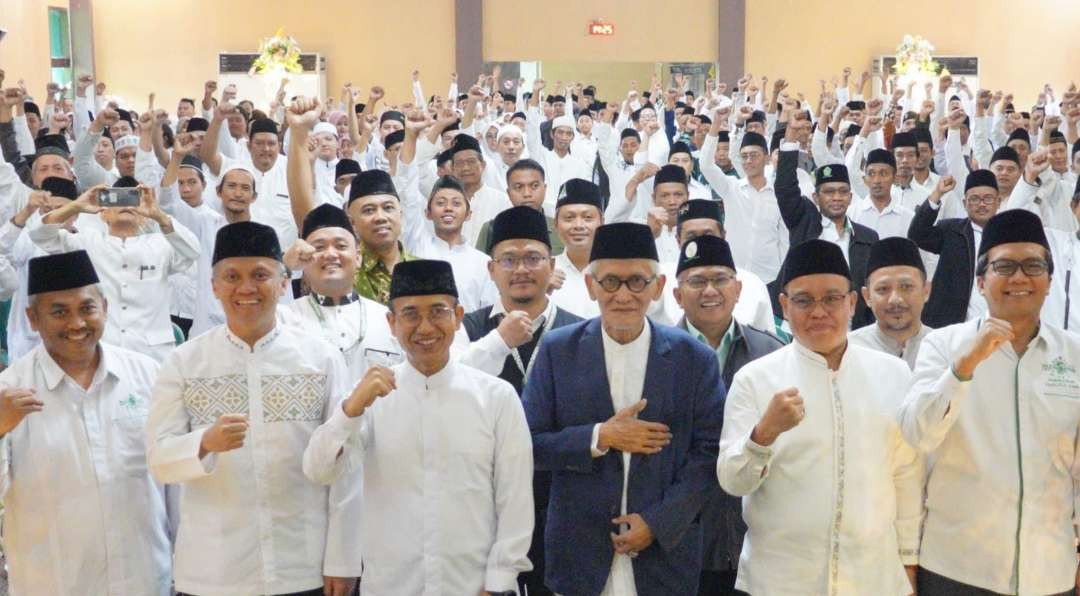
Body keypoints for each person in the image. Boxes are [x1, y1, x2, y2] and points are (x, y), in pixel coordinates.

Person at [146, 221, 359, 596]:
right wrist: (203, 443)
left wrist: (342, 560)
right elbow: (159, 461)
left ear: (282, 283)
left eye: (260, 274)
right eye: (232, 276)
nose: (246, 288)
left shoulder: (319, 357)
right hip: (213, 570)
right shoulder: (184, 362)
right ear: (214, 286)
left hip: (302, 566)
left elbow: (346, 466)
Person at [302, 259, 534, 595]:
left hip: (471, 585)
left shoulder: (496, 396)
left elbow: (514, 498)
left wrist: (499, 581)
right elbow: (318, 469)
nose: (425, 327)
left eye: (437, 312)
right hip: (391, 584)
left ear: (457, 317)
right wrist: (349, 410)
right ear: (392, 323)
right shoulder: (369, 398)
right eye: (410, 314)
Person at [522, 222, 724, 595]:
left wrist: (658, 522)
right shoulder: (557, 350)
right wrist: (601, 436)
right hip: (580, 555)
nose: (623, 295)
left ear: (659, 287)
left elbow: (710, 454)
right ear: (590, 285)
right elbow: (528, 444)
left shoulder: (693, 358)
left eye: (637, 282)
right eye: (610, 282)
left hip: (664, 558)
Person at [717, 239, 923, 595]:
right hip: (781, 580)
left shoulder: (894, 374)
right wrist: (763, 434)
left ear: (853, 302)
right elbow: (733, 482)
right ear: (783, 305)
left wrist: (907, 562)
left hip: (872, 577)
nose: (818, 312)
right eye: (803, 300)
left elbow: (905, 475)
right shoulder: (755, 379)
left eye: (831, 298)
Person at [900, 208, 1080, 595]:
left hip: (1050, 569)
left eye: (1033, 265)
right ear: (981, 282)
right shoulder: (943, 345)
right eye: (1004, 267)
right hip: (959, 568)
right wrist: (963, 368)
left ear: (1050, 280)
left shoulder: (1074, 354)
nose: (1019, 277)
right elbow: (918, 434)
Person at [0, 250, 172, 594]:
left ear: (105, 308)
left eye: (87, 309)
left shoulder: (147, 375)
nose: (76, 324)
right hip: (52, 582)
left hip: (144, 576)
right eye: (59, 312)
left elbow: (175, 484)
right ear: (33, 318)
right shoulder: (8, 392)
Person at [461, 205, 583, 595]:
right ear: (491, 269)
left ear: (551, 265)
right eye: (508, 260)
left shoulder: (579, 331)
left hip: (560, 499)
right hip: (484, 500)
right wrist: (499, 342)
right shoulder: (468, 329)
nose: (521, 270)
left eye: (532, 258)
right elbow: (451, 390)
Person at [671, 235, 784, 595]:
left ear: (737, 289)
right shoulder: (657, 354)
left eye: (719, 280)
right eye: (697, 281)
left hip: (755, 538)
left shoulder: (771, 353)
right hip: (679, 540)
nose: (710, 291)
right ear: (676, 294)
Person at [31, 178, 200, 362]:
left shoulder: (160, 245)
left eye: (131, 199)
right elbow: (40, 235)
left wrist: (158, 215)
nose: (125, 204)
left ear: (143, 215)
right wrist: (76, 206)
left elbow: (192, 251)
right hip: (104, 347)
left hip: (153, 352)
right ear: (104, 213)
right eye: (118, 199)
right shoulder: (87, 241)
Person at [774, 120, 879, 329]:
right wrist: (790, 140)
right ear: (815, 197)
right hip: (807, 324)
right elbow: (786, 188)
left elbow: (871, 289)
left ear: (850, 197)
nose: (836, 198)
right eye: (829, 192)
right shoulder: (804, 223)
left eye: (842, 192)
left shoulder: (868, 238)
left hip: (853, 330)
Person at [280, 203, 401, 379]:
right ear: (303, 260)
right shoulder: (284, 319)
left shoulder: (387, 319)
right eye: (319, 248)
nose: (330, 254)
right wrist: (284, 267)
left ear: (358, 257)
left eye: (341, 246)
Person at [652, 199, 777, 333]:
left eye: (708, 236)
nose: (701, 243)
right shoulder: (659, 280)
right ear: (678, 241)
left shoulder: (753, 284)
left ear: (723, 236)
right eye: (691, 237)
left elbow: (769, 348)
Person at [908, 171, 1001, 328]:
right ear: (965, 203)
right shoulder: (951, 230)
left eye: (988, 199)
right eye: (975, 199)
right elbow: (917, 234)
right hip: (952, 323)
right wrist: (937, 193)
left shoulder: (1008, 236)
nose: (982, 204)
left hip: (996, 321)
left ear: (998, 202)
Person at [850, 237, 933, 369]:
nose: (895, 299)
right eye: (883, 289)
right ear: (867, 297)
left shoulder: (944, 348)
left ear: (926, 291)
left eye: (906, 287)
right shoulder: (847, 351)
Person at [347, 169, 414, 304]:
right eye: (369, 210)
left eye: (388, 208)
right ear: (352, 223)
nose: (380, 217)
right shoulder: (346, 275)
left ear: (401, 215)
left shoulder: (423, 269)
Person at [473, 159, 565, 255]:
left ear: (545, 189)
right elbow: (480, 267)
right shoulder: (492, 229)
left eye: (534, 186)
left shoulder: (560, 229)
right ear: (508, 193)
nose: (527, 194)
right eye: (518, 187)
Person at [549, 178, 605, 319]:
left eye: (587, 217)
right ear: (556, 224)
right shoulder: (544, 273)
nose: (578, 225)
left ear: (602, 222)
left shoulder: (616, 271)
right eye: (569, 218)